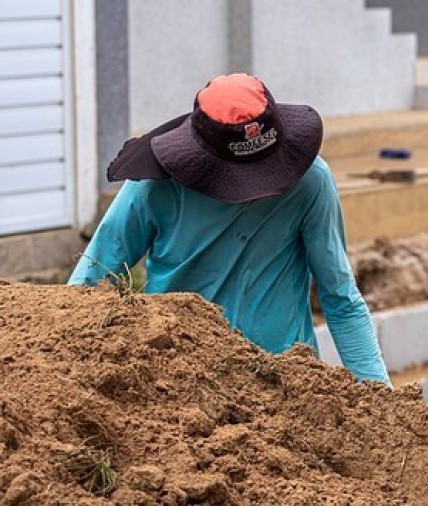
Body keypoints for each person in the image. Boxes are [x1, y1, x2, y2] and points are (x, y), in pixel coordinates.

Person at [69, 73, 390, 386]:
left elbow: (340, 298)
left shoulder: (308, 182)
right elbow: (88, 284)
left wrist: (380, 398)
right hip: (177, 385)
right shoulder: (155, 187)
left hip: (285, 384)